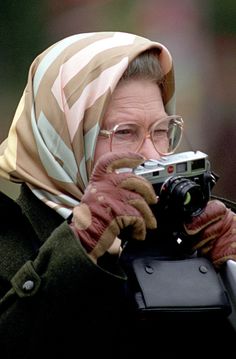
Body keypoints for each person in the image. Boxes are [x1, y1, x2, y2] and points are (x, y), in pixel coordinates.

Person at [0, 31, 236, 358]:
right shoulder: (9, 244)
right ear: (60, 142)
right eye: (125, 133)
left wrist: (232, 270)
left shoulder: (189, 236)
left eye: (161, 131)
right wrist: (79, 246)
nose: (153, 155)